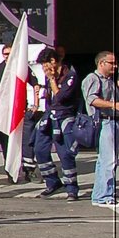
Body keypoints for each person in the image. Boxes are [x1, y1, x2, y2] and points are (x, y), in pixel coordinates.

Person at [33, 47, 84, 200]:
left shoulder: (70, 75)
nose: (44, 68)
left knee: (65, 153)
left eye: (45, 64)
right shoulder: (50, 76)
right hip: (50, 116)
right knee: (40, 149)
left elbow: (61, 97)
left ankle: (71, 189)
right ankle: (52, 182)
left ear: (53, 61)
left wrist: (52, 80)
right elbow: (50, 98)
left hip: (65, 117)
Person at [83, 50, 119, 206]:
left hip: (113, 121)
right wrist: (113, 105)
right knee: (108, 161)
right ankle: (105, 196)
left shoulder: (110, 81)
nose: (115, 66)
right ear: (101, 63)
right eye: (111, 63)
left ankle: (101, 195)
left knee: (107, 161)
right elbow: (92, 99)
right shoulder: (93, 79)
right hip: (103, 122)